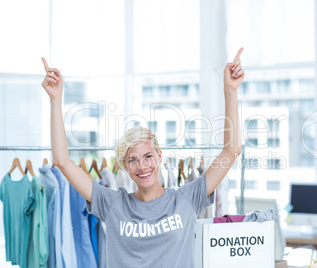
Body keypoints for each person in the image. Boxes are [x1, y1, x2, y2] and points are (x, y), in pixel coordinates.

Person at [41, 47, 245, 267]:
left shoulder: (186, 199)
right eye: (132, 160)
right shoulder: (112, 204)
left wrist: (230, 91)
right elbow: (62, 161)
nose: (142, 166)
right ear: (124, 167)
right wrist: (55, 99)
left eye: (148, 156)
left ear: (159, 156)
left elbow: (231, 151)